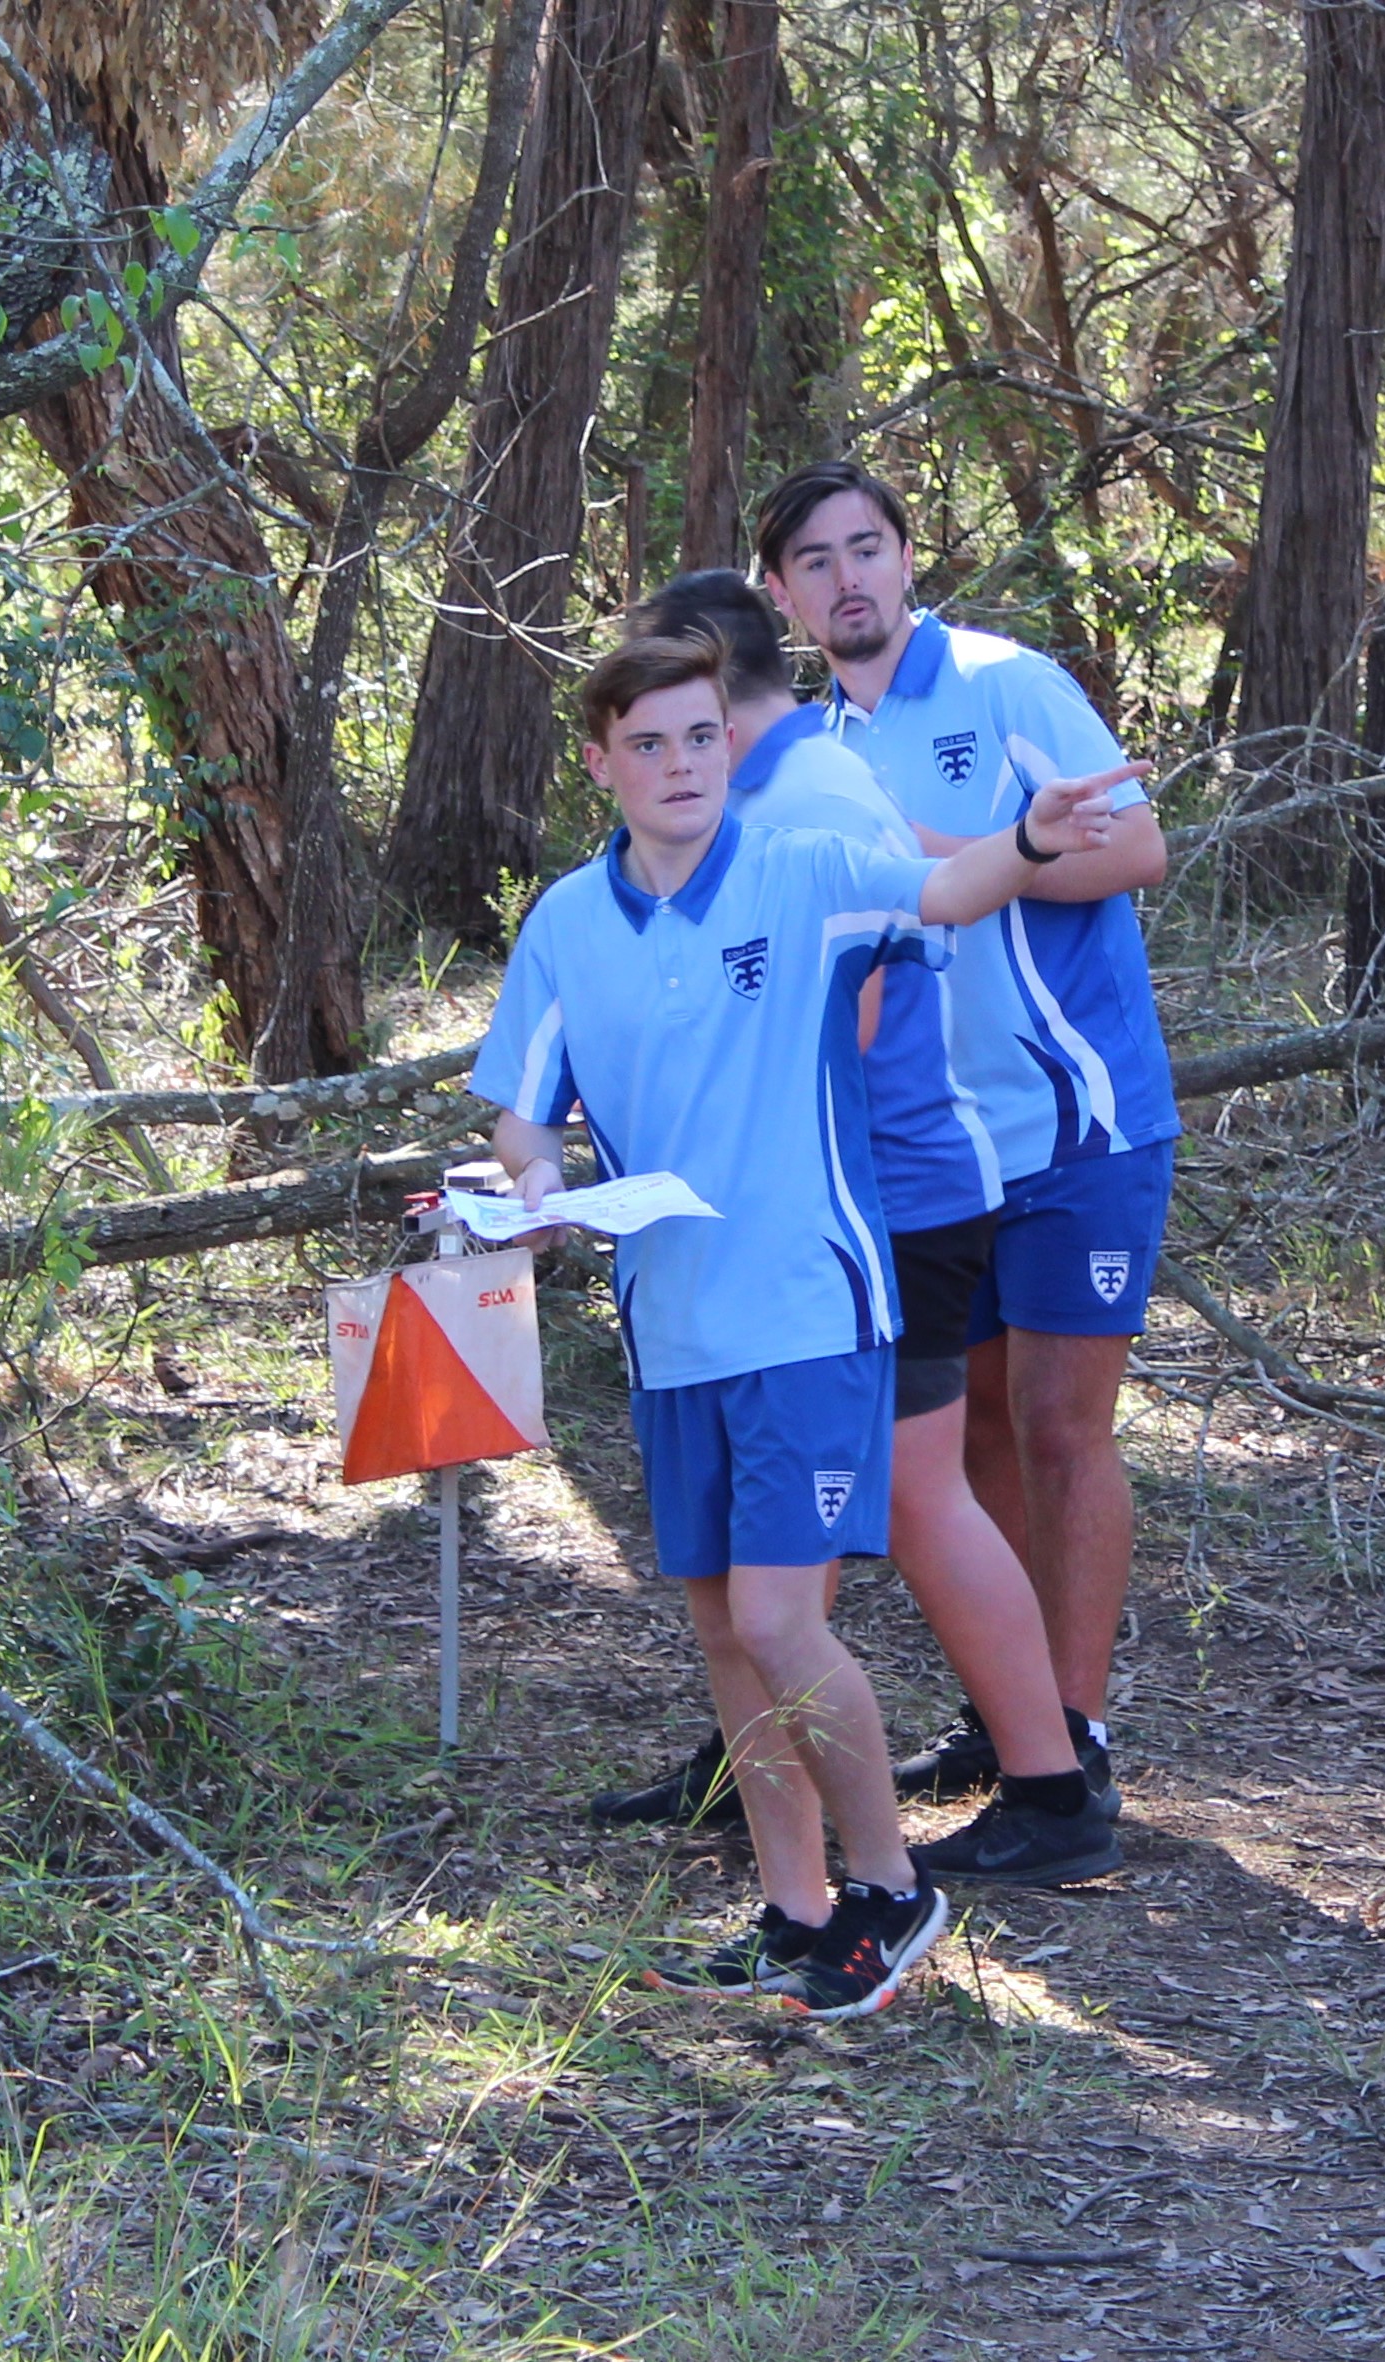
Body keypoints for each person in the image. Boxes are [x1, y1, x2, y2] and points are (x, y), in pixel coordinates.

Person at [476, 629, 1134, 2015]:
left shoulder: (804, 869)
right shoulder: (565, 925)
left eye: (702, 737)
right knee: (726, 1634)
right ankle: (793, 1906)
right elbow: (525, 1112)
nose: (680, 765)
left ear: (733, 741)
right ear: (598, 763)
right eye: (647, 743)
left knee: (783, 1616)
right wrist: (534, 1190)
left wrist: (1028, 834)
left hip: (811, 1313)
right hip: (674, 1326)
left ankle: (891, 1890)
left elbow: (947, 886)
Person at [750, 461, 1176, 1819]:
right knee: (975, 1427)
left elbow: (1139, 849)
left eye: (867, 548)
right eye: (816, 561)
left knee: (1064, 1425)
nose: (848, 578)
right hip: (941, 1149)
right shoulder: (809, 746)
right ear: (782, 595)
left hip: (1079, 1121)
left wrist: (959, 850)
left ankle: (1080, 1729)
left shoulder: (1005, 683)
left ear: (908, 554)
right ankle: (1015, 1722)